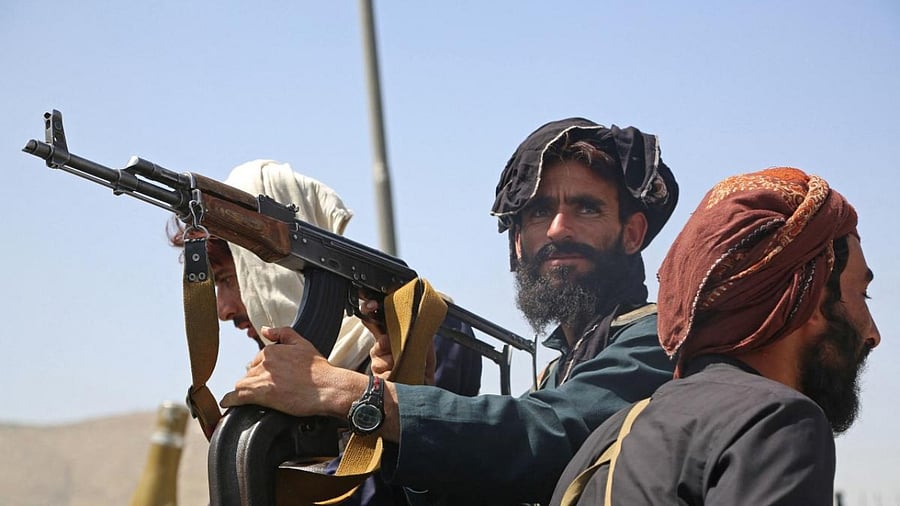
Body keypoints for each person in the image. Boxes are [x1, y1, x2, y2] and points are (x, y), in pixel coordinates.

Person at [221, 118, 680, 504]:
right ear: (517, 243)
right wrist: (409, 394)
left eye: (587, 208)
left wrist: (354, 393)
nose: (559, 228)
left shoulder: (658, 339)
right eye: (538, 212)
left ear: (632, 233)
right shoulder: (564, 367)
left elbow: (550, 430)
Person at [549, 167, 881, 505]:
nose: (873, 334)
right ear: (811, 297)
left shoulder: (603, 441)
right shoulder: (776, 421)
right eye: (861, 295)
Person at [168, 159, 482, 505]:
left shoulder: (428, 334)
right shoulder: (289, 386)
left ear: (269, 272)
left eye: (230, 279)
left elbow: (397, 486)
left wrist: (338, 391)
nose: (223, 309)